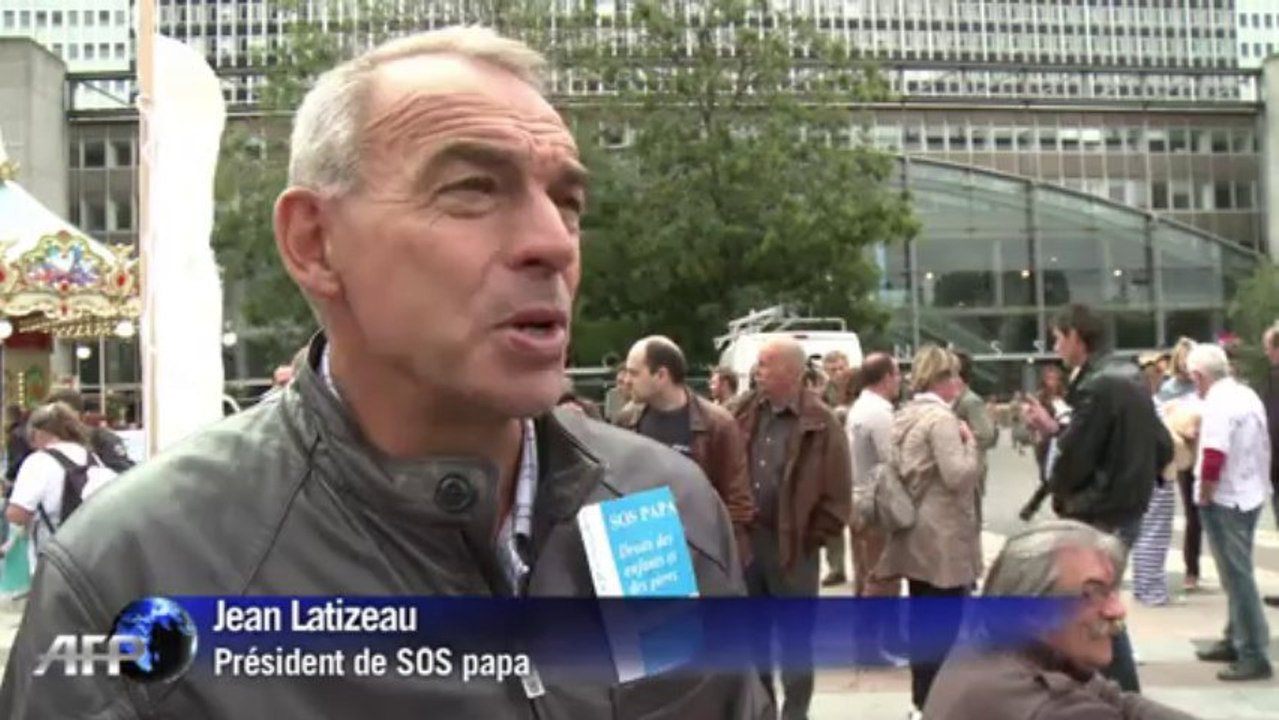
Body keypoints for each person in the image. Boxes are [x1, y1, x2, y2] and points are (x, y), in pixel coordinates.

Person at [0, 28, 770, 719]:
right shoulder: (133, 573)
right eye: (473, 188)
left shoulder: (662, 505)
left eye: (566, 201)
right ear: (314, 243)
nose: (552, 242)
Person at [1020, 303, 1170, 693]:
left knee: (1095, 605)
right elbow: (1163, 446)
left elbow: (1076, 459)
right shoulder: (1129, 376)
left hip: (1101, 511)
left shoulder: (1096, 383)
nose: (1056, 345)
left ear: (1076, 336)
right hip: (1128, 505)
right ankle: (1108, 690)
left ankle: (1120, 694)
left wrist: (1065, 494)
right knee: (1098, 601)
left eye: (1058, 336)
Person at [924, 520, 1199, 720]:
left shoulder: (991, 645)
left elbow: (1117, 700)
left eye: (1112, 590)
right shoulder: (1050, 707)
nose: (1117, 609)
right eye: (1092, 593)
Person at [734, 337, 851, 720]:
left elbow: (838, 495)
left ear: (791, 373)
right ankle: (763, 709)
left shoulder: (822, 422)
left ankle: (795, 713)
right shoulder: (743, 411)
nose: (757, 371)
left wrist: (810, 538)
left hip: (795, 548)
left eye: (765, 364)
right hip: (749, 542)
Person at [873, 345, 983, 717]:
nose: (958, 383)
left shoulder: (904, 415)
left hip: (912, 532)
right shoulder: (942, 420)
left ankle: (920, 703)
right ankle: (939, 705)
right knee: (946, 629)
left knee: (922, 623)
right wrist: (972, 446)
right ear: (943, 379)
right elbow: (957, 475)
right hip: (943, 538)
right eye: (953, 376)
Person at [615, 336, 756, 564]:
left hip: (703, 558)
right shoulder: (627, 420)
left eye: (634, 373)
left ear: (661, 376)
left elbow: (738, 502)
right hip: (647, 557)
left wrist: (710, 556)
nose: (625, 380)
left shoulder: (718, 424)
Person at [1186, 343, 1274, 681]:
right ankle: (1235, 637)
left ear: (1199, 376)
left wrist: (1205, 495)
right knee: (1236, 574)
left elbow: (1213, 456)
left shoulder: (1218, 404)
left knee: (1237, 578)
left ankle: (1253, 651)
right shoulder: (1244, 395)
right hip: (1249, 492)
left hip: (1226, 497)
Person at [2, 403, 119, 578]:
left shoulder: (38, 461)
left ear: (38, 432)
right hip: (91, 556)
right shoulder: (90, 457)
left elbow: (17, 514)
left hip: (53, 560)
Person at [1158, 338, 1202, 593]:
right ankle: (1191, 570)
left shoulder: (1204, 386)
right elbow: (1164, 420)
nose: (1187, 364)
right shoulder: (1170, 388)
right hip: (1185, 454)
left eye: (1191, 358)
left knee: (1210, 514)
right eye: (1184, 359)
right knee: (1193, 513)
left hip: (1208, 451)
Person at [44, 389, 134, 473]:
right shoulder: (44, 443)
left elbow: (122, 475)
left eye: (63, 417)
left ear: (80, 415)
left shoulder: (102, 441)